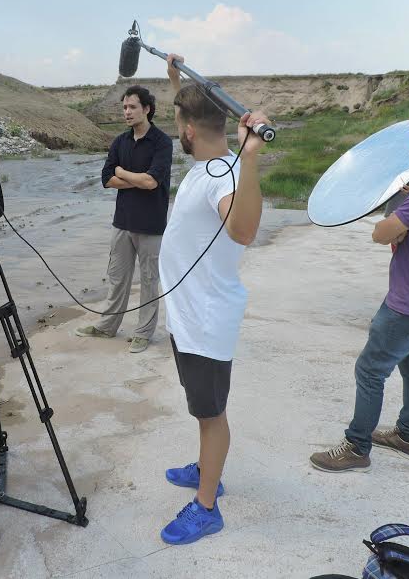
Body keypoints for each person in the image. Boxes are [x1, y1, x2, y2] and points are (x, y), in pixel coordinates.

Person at [311, 116, 409, 472]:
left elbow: (381, 233)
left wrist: (398, 219)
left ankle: (356, 447)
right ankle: (407, 435)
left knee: (370, 369)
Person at [158, 54, 269, 544]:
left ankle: (207, 504)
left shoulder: (224, 175)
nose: (175, 127)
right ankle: (208, 466)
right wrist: (177, 83)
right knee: (201, 407)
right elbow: (191, 116)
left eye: (176, 120)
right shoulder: (208, 160)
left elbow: (244, 230)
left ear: (187, 130)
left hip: (205, 320)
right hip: (189, 316)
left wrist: (250, 159)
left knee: (211, 414)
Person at [75, 85, 172, 353]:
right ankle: (107, 327)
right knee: (117, 277)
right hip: (122, 222)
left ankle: (143, 333)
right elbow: (107, 179)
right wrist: (135, 178)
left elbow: (152, 182)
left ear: (147, 109)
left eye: (132, 107)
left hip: (151, 225)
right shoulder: (120, 141)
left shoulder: (162, 142)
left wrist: (123, 172)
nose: (127, 112)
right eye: (124, 107)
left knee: (150, 280)